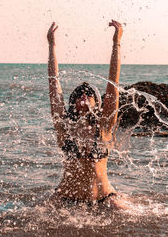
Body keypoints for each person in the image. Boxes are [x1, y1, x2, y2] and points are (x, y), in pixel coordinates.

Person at [47, 20, 123, 207]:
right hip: (66, 199)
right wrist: (51, 46)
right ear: (72, 102)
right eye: (78, 93)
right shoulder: (65, 128)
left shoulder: (104, 127)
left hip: (104, 199)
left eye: (89, 94)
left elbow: (113, 83)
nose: (83, 94)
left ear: (98, 103)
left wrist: (116, 43)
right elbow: (53, 84)